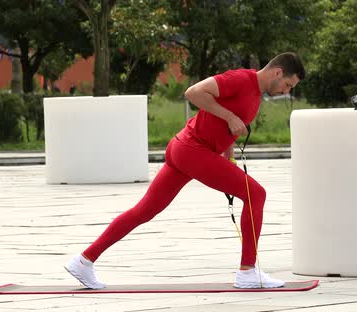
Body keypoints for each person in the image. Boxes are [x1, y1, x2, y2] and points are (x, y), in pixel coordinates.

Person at [65, 52, 306, 289]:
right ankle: (248, 271)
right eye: (287, 84)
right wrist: (229, 115)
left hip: (185, 150)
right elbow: (193, 92)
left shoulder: (255, 94)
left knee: (144, 211)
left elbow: (230, 129)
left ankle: (84, 261)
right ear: (277, 72)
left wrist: (229, 158)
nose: (286, 91)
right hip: (193, 150)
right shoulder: (241, 79)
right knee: (257, 194)